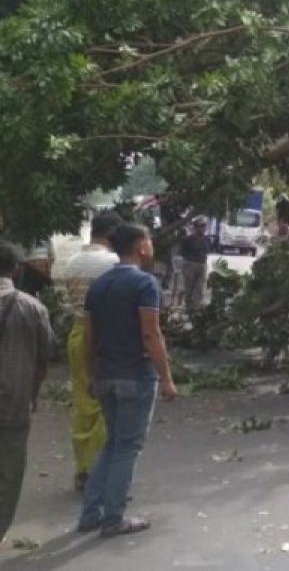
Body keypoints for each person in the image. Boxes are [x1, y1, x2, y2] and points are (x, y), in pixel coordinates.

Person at [78, 223, 177, 537]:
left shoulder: (99, 286)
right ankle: (114, 518)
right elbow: (150, 333)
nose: (151, 246)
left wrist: (92, 375)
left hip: (105, 374)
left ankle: (90, 514)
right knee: (127, 447)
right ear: (141, 247)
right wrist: (167, 378)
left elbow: (88, 339)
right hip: (135, 374)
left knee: (112, 444)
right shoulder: (145, 284)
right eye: (149, 241)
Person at [60, 211, 123, 491]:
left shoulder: (71, 262)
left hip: (76, 332)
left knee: (84, 401)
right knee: (105, 404)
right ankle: (100, 469)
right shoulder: (112, 262)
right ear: (112, 234)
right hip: (103, 334)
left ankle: (83, 468)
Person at [0, 242, 53, 544]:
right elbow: (43, 359)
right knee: (8, 475)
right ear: (17, 269)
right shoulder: (33, 308)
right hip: (13, 404)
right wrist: (31, 396)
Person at [177, 216, 209, 312]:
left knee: (200, 288)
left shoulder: (207, 239)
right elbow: (182, 252)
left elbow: (207, 250)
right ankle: (188, 307)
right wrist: (189, 260)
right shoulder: (188, 239)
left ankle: (197, 308)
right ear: (195, 227)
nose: (201, 228)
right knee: (189, 287)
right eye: (199, 226)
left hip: (202, 264)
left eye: (203, 226)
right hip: (190, 264)